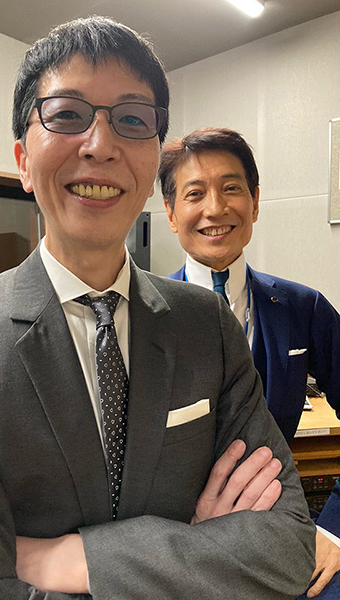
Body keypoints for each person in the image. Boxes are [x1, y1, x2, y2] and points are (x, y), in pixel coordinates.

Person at [0, 19, 315, 600]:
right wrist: (196, 547)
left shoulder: (208, 326)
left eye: (132, 120)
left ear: (153, 167)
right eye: (67, 115)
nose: (100, 144)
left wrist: (75, 559)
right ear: (22, 160)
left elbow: (288, 547)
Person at [160, 127, 340, 598]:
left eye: (231, 188)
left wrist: (334, 528)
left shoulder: (304, 308)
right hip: (179, 543)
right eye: (194, 193)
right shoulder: (142, 318)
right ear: (171, 213)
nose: (215, 208)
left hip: (282, 530)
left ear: (255, 203)